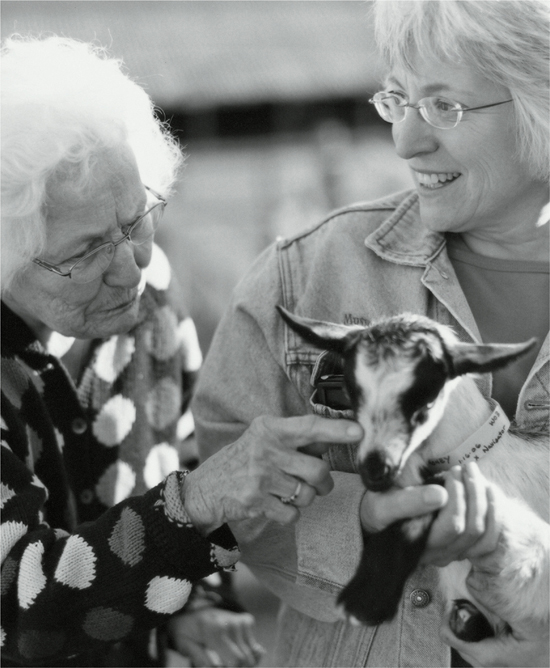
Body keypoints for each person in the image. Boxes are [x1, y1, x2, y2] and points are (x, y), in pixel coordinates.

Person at [192, 1, 550, 666]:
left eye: (445, 106)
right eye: (398, 99)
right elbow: (211, 495)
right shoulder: (304, 278)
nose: (407, 141)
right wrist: (373, 542)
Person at [0, 36, 364, 667]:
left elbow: (191, 447)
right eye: (85, 251)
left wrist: (196, 600)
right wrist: (192, 505)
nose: (130, 268)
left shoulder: (150, 288)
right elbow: (21, 611)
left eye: (136, 219)